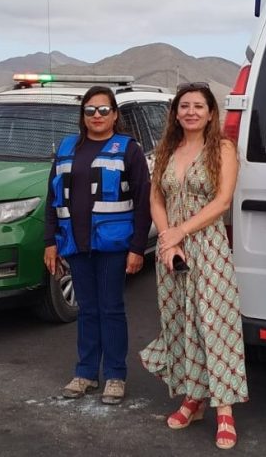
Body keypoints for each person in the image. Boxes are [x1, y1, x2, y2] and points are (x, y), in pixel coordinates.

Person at [140, 81, 248, 450]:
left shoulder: (222, 148)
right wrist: (168, 239)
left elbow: (222, 202)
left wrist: (179, 232)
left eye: (198, 106)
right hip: (172, 251)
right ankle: (192, 398)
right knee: (179, 322)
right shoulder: (167, 148)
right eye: (184, 106)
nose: (190, 112)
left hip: (208, 246)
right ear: (175, 113)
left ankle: (225, 411)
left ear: (210, 112)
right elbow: (156, 196)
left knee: (215, 325)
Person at [43, 86, 151, 405]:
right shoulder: (65, 148)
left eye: (104, 110)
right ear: (83, 115)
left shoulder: (128, 149)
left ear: (115, 115)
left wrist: (136, 248)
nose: (97, 116)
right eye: (90, 110)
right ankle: (86, 372)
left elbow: (144, 202)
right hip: (76, 244)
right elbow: (53, 199)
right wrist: (50, 242)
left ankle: (115, 375)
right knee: (87, 310)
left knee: (111, 309)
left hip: (113, 246)